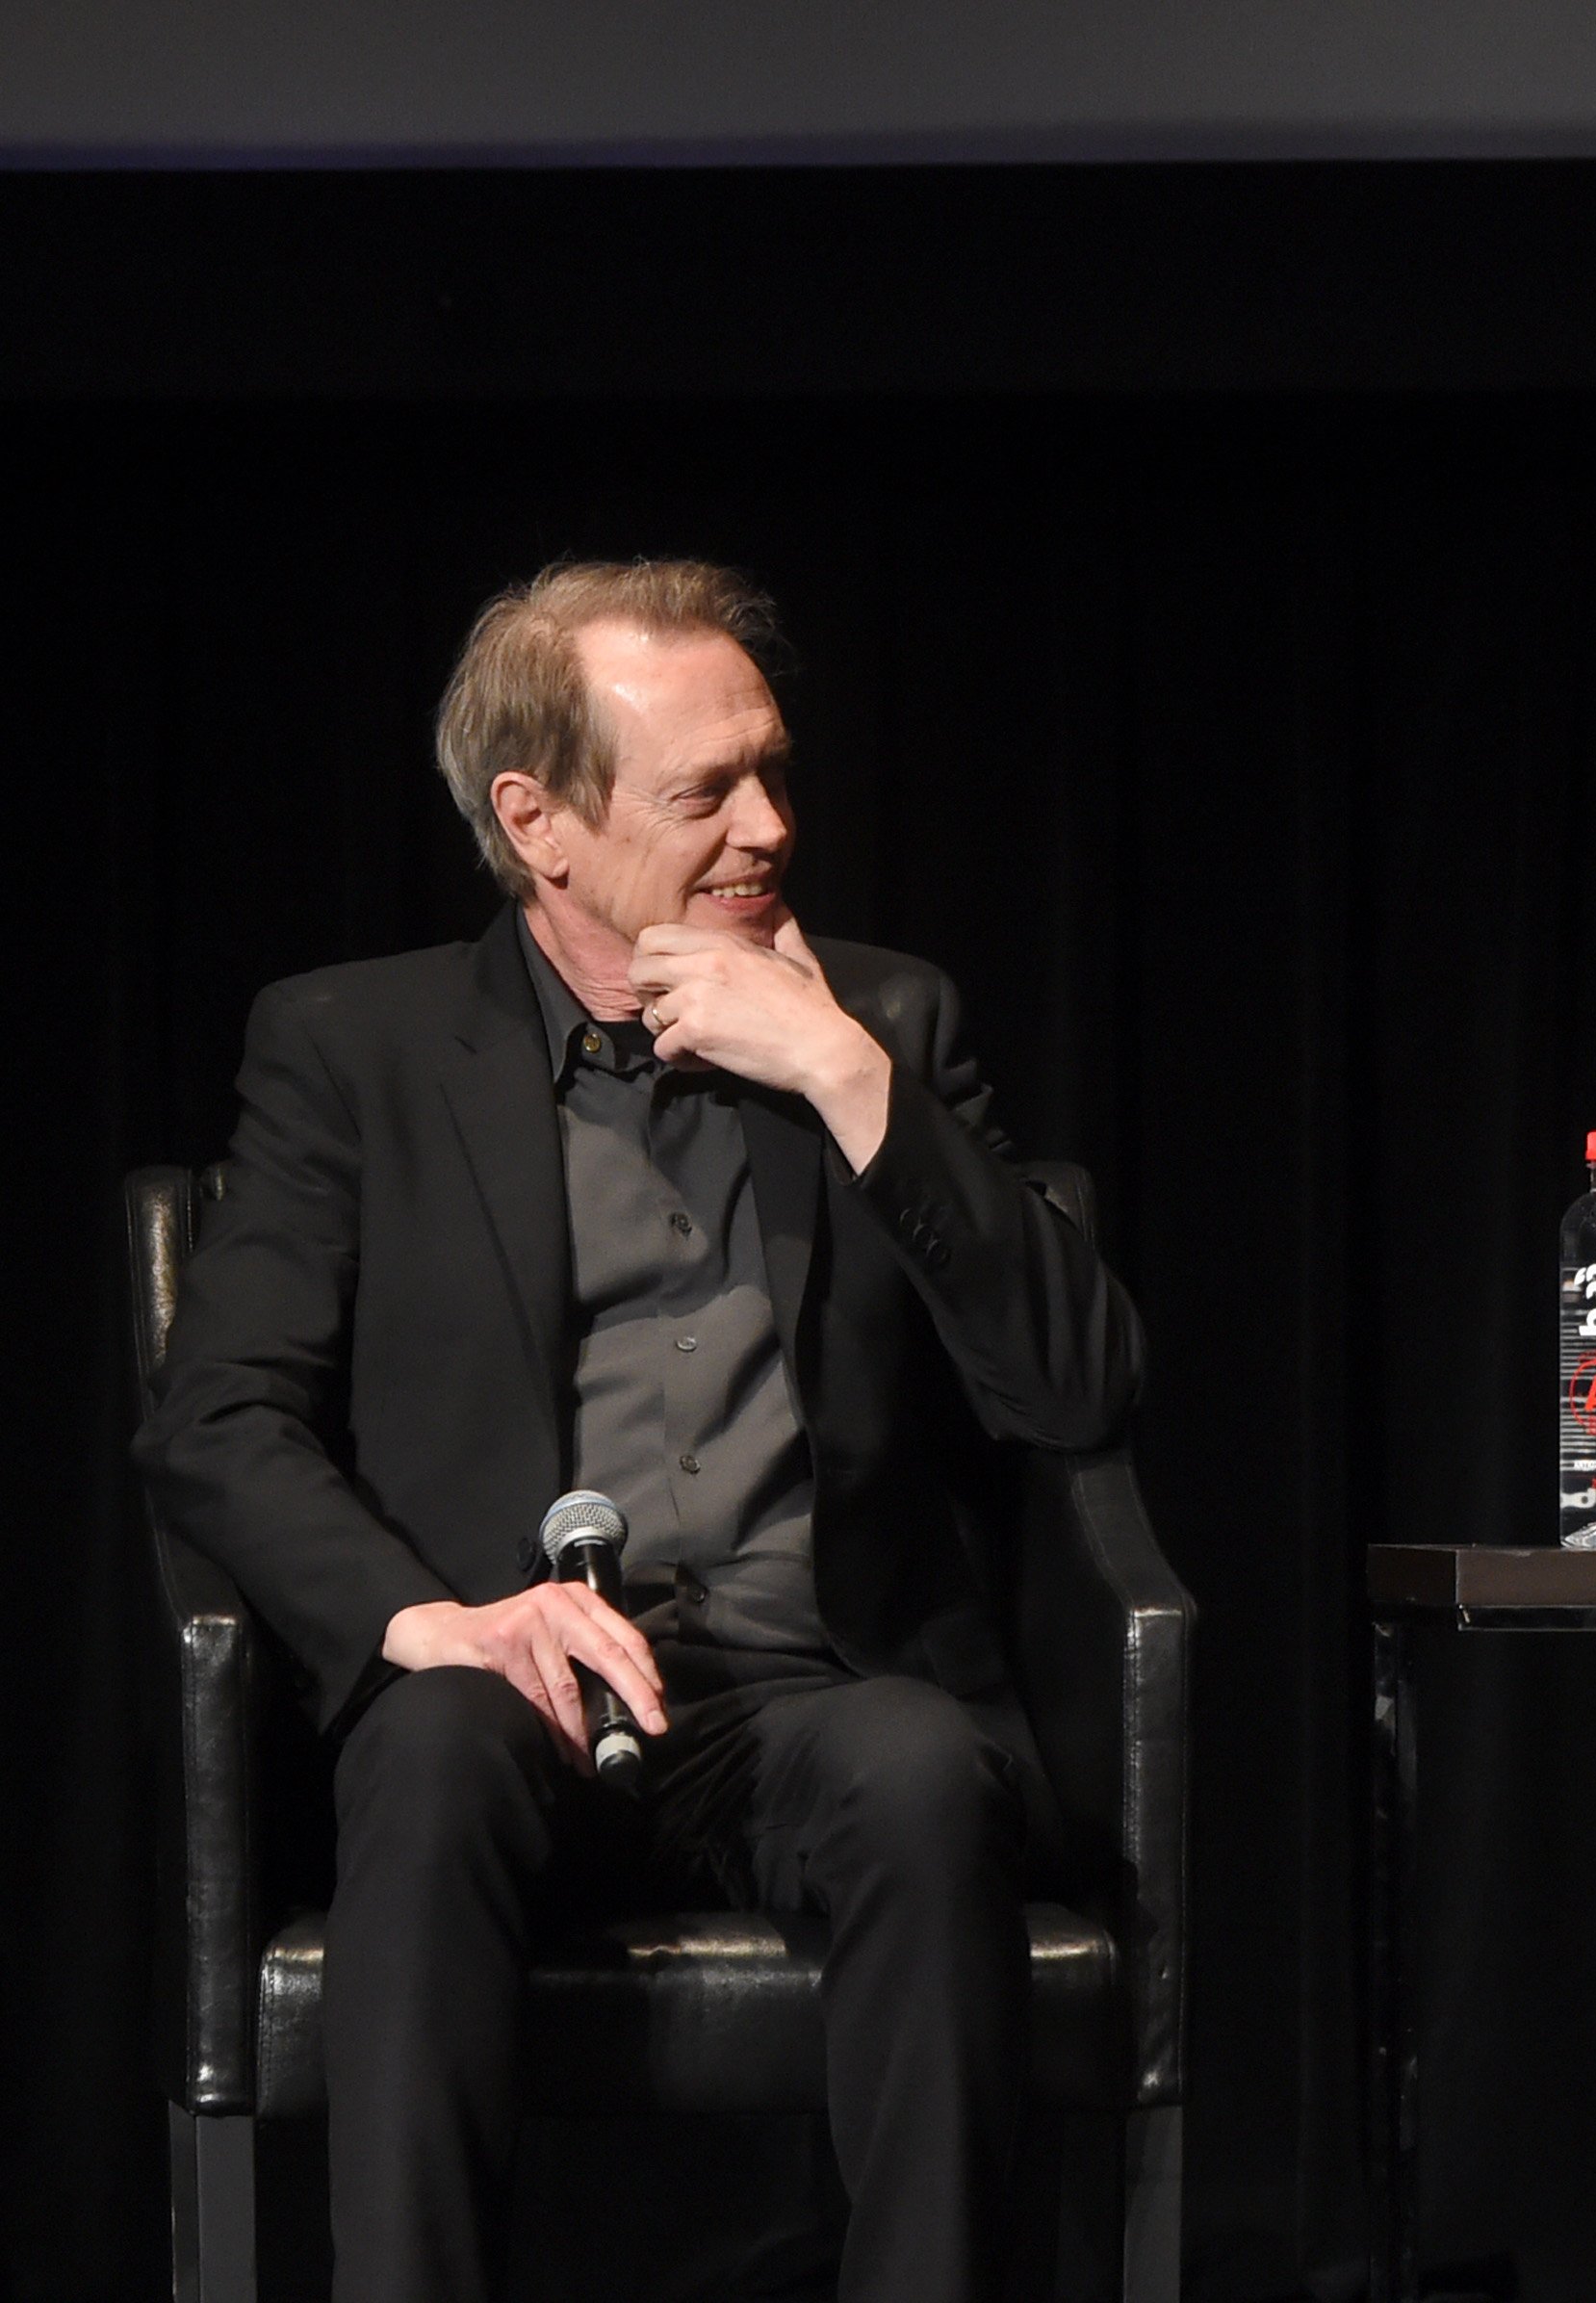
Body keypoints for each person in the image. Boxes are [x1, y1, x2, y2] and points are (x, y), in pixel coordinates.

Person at [136, 560, 1145, 2302]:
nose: (769, 822)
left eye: (770, 770)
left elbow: (1074, 1390)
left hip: (809, 1691)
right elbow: (216, 1415)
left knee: (921, 1775)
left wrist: (842, 1078)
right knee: (432, 1745)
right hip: (513, 1681)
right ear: (541, 823)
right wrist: (423, 1620)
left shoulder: (883, 1020)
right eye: (705, 791)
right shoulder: (352, 1046)